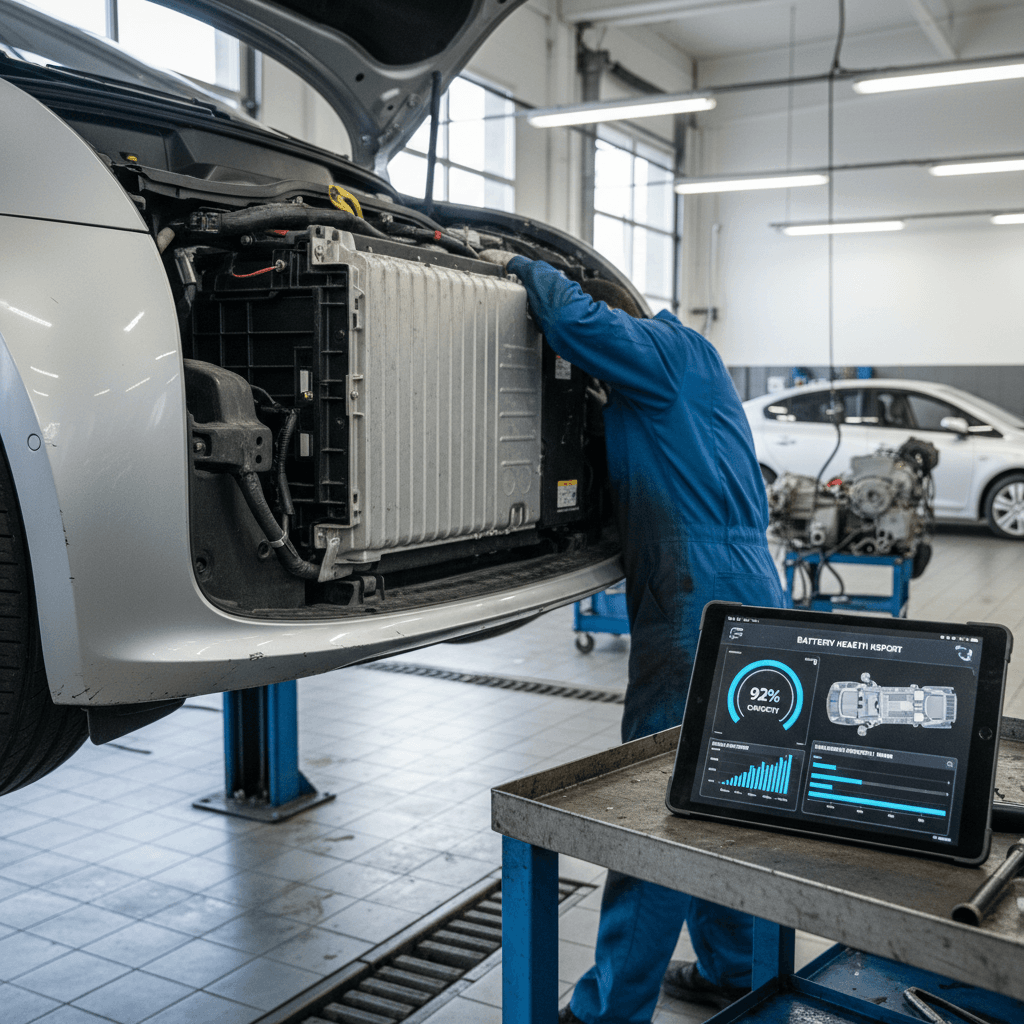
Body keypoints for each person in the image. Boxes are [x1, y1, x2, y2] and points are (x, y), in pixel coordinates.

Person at [479, 250, 784, 1024]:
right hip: (746, 591)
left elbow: (572, 317)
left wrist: (517, 264)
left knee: (661, 809)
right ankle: (734, 967)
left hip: (696, 597)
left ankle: (609, 1010)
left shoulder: (669, 350)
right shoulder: (700, 375)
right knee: (722, 794)